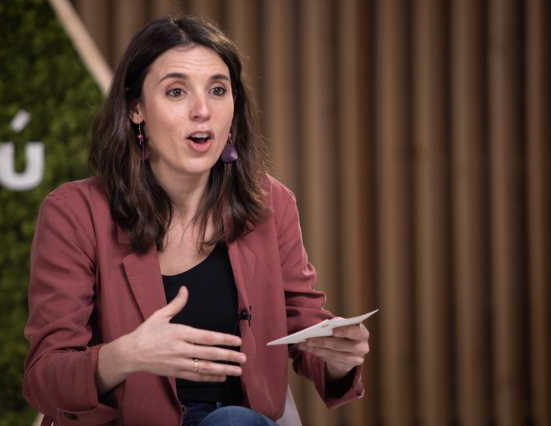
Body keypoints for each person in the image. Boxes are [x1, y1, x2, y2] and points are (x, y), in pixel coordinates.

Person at [23, 14, 370, 426]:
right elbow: (44, 378)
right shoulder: (75, 213)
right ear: (136, 110)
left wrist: (338, 355)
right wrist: (125, 355)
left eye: (218, 90)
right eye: (176, 92)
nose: (202, 110)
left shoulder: (270, 202)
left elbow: (304, 324)